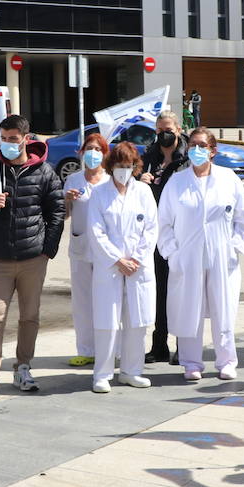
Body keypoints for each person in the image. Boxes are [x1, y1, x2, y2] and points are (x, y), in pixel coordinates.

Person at [0, 114, 65, 400]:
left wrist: (48, 250)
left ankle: (23, 367)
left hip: (33, 257)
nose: (7, 144)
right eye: (3, 139)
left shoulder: (44, 172)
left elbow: (56, 212)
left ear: (25, 139)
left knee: (29, 316)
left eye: (13, 139)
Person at [158, 127, 244, 381]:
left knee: (223, 309)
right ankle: (191, 363)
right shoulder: (177, 182)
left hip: (222, 257)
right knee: (189, 309)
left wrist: (235, 249)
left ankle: (226, 361)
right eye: (192, 145)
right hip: (187, 259)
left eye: (202, 145)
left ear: (213, 151)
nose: (196, 150)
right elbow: (163, 224)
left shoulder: (228, 179)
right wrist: (173, 255)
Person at [86, 141, 159, 392]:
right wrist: (118, 259)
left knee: (137, 321)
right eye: (119, 166)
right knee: (107, 320)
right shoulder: (99, 194)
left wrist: (136, 259)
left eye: (128, 166)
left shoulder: (144, 192)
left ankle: (132, 370)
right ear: (110, 166)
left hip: (138, 267)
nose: (123, 171)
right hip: (110, 267)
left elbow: (151, 229)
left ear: (135, 167)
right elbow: (96, 232)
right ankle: (102, 373)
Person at [141, 110, 190, 363]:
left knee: (181, 292)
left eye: (168, 129)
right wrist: (141, 179)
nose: (163, 134)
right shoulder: (150, 156)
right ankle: (159, 345)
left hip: (181, 234)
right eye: (159, 130)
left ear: (179, 130)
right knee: (159, 291)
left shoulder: (188, 158)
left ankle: (184, 346)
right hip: (154, 234)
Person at [64, 132, 112, 368]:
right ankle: (86, 349)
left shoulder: (111, 180)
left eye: (98, 149)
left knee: (108, 299)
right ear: (81, 152)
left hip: (106, 250)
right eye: (89, 149)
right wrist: (67, 200)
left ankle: (112, 349)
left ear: (105, 154)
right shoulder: (73, 180)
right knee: (83, 302)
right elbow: (64, 215)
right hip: (81, 246)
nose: (93, 154)